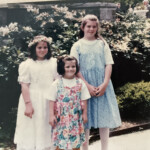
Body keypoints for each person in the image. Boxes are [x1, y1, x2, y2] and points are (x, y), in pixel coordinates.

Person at [70, 15, 121, 150]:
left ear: (97, 28)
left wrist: (104, 84)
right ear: (83, 27)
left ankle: (105, 148)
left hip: (102, 84)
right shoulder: (77, 45)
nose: (91, 29)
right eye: (88, 26)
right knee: (85, 120)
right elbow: (75, 68)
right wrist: (87, 86)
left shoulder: (102, 44)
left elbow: (108, 65)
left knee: (104, 119)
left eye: (94, 26)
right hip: (84, 85)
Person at [14, 35, 58, 150]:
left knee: (45, 127)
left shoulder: (53, 63)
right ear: (34, 48)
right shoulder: (27, 64)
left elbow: (57, 83)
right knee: (31, 128)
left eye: (45, 47)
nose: (42, 50)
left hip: (48, 100)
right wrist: (28, 104)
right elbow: (24, 85)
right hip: (32, 99)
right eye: (39, 47)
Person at [48, 55, 91, 150]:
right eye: (67, 67)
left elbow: (84, 99)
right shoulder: (57, 83)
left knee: (75, 142)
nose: (70, 69)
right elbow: (51, 100)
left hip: (75, 118)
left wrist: (85, 114)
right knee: (61, 142)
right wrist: (51, 115)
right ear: (62, 68)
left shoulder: (80, 82)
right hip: (61, 119)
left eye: (73, 66)